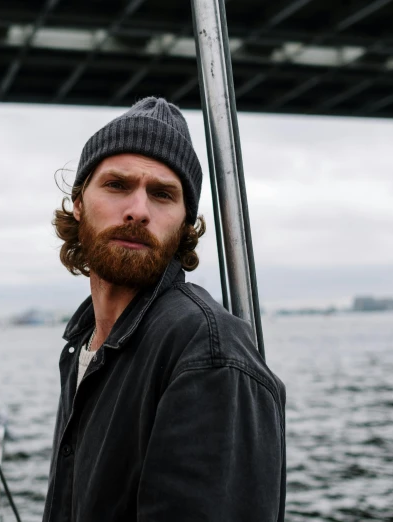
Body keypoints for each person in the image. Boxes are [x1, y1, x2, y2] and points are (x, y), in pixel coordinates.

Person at [45, 97, 286, 521]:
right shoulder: (85, 344)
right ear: (79, 203)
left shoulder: (207, 353)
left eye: (162, 194)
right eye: (117, 185)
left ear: (184, 224)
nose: (138, 211)